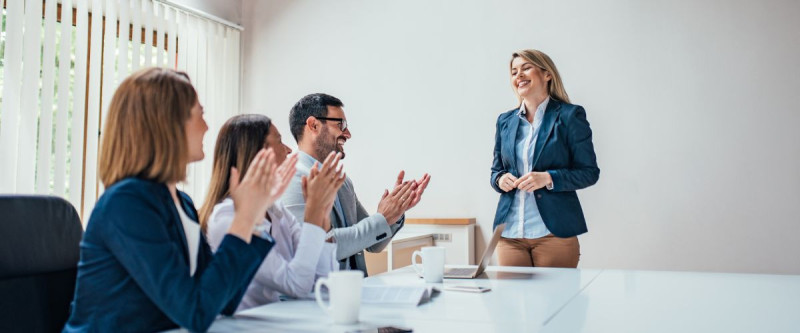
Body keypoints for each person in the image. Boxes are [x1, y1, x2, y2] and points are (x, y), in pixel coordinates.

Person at [63, 68, 279, 332]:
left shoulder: (181, 202)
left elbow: (225, 301)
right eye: (200, 114)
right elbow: (195, 313)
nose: (207, 126)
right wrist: (243, 218)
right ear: (168, 123)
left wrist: (254, 220)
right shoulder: (126, 203)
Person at [200, 114, 345, 311]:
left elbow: (323, 283)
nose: (287, 150)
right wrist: (313, 214)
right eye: (278, 141)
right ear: (256, 154)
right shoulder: (226, 218)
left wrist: (322, 217)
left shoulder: (277, 211)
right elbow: (297, 286)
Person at [280, 93, 431, 275]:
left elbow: (373, 243)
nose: (348, 134)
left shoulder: (343, 182)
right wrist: (382, 218)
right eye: (340, 125)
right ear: (313, 125)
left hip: (354, 291)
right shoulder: (292, 178)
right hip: (315, 298)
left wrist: (396, 211)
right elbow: (319, 246)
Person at [490, 49, 600, 268]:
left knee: (555, 302)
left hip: (553, 235)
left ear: (547, 74)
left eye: (526, 68)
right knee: (508, 301)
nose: (518, 75)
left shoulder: (570, 116)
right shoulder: (505, 121)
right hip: (509, 234)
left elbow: (589, 173)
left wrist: (549, 178)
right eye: (514, 72)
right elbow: (496, 171)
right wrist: (500, 180)